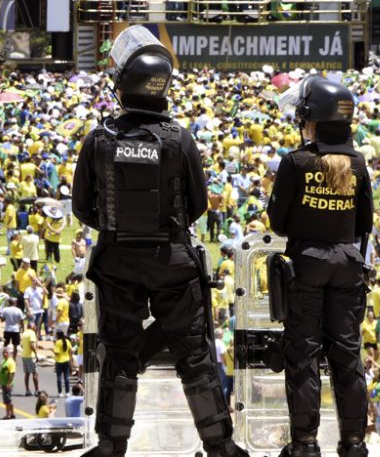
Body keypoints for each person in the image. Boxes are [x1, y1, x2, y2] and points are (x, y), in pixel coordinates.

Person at [72, 26, 248, 457]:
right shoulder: (178, 137)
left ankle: (112, 445)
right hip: (171, 259)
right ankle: (220, 446)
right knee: (194, 354)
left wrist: (116, 230)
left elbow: (81, 207)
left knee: (119, 354)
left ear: (123, 86)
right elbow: (199, 203)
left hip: (117, 261)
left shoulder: (99, 138)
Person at [266, 75, 374, 457]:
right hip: (347, 263)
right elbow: (365, 223)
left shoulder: (296, 161)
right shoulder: (358, 163)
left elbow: (277, 222)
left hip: (307, 264)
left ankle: (306, 443)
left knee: (304, 355)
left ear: (312, 120)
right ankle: (354, 441)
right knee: (347, 355)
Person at [0, 345, 17, 420]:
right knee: (7, 399)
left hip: (7, 383)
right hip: (3, 383)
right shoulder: (3, 361)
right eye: (4, 353)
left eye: (6, 353)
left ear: (9, 353)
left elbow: (12, 373)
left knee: (7, 400)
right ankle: (12, 413)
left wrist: (9, 383)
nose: (5, 354)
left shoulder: (11, 362)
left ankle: (8, 414)